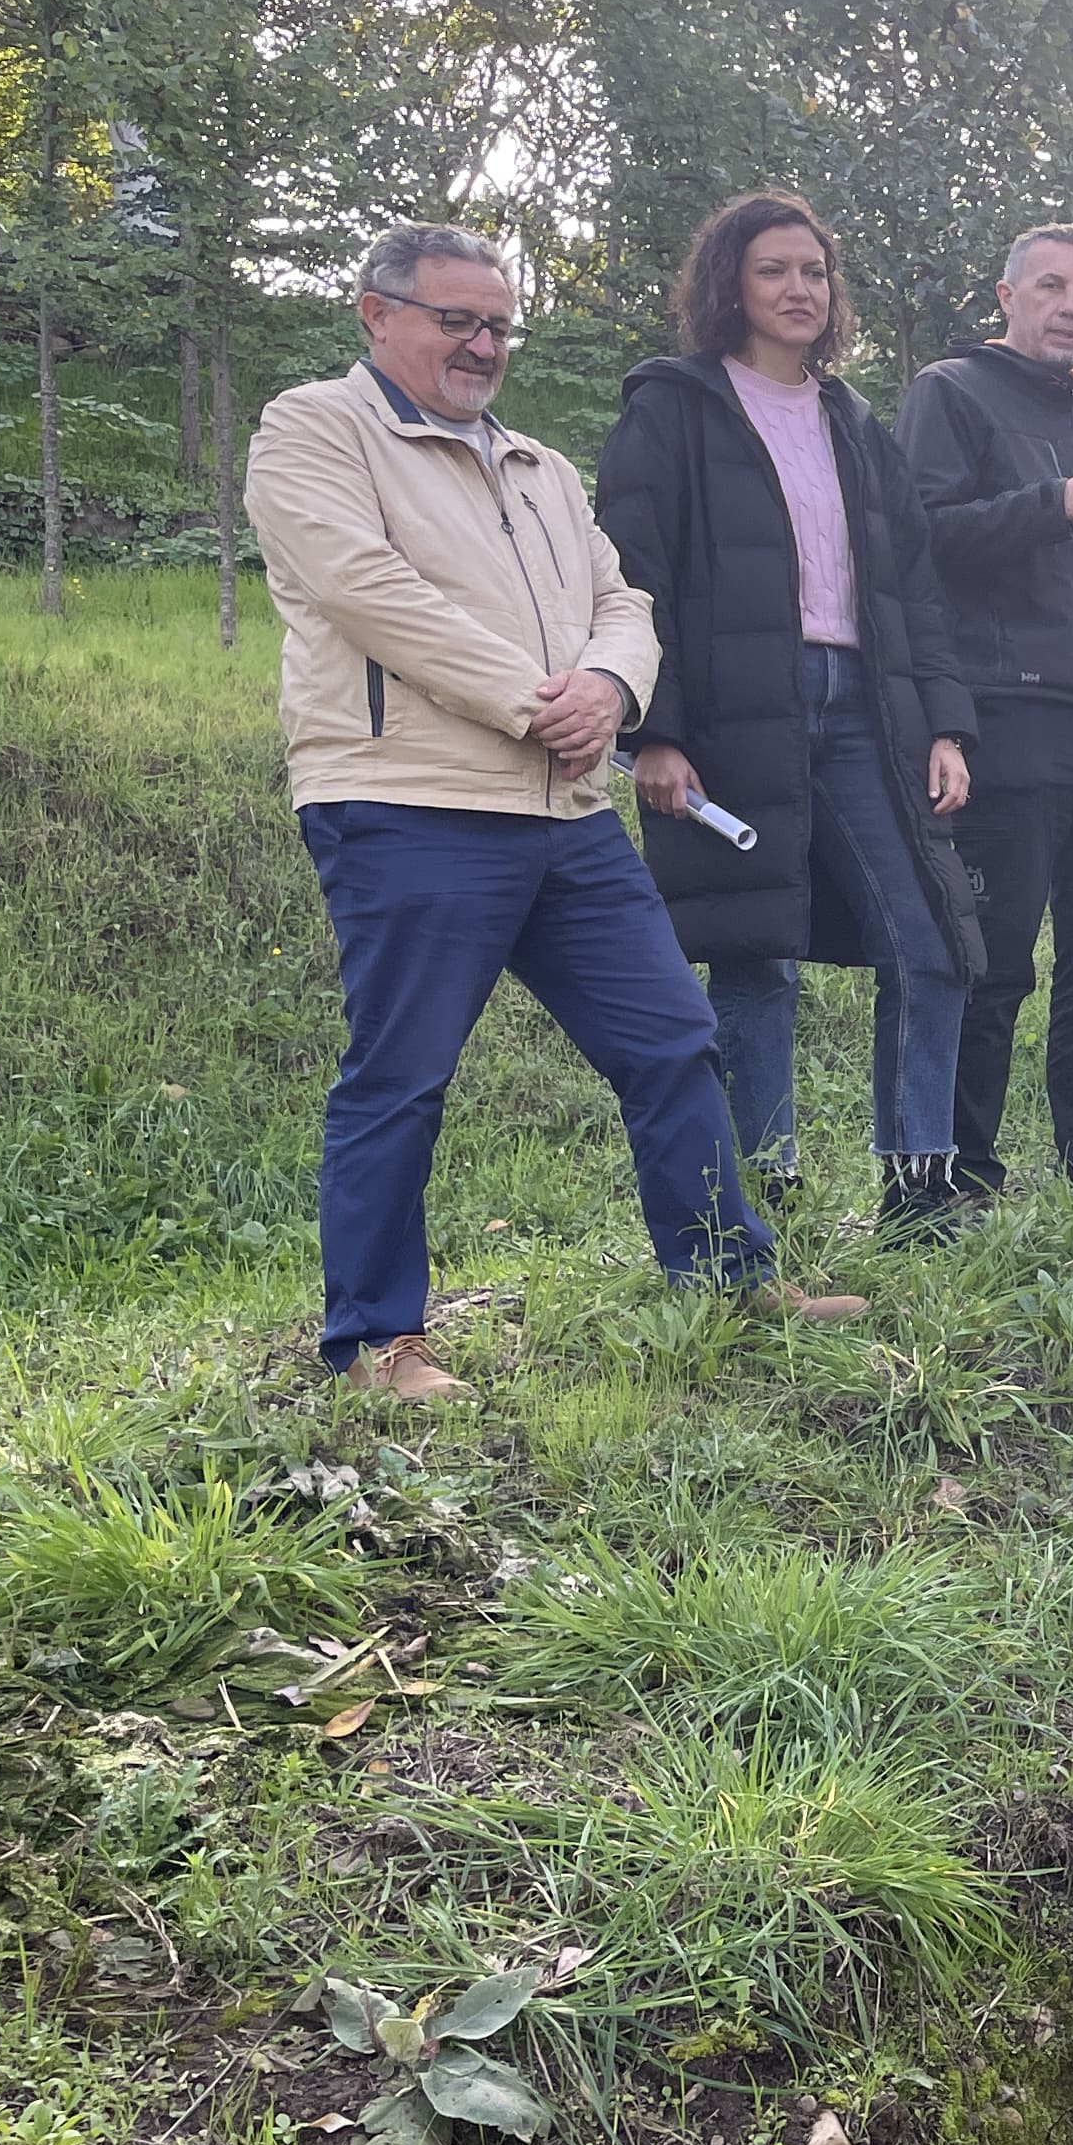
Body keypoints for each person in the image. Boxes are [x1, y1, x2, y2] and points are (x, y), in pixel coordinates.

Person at [242, 223, 859, 1400]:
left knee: (673, 1041)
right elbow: (368, 593)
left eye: (498, 325)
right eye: (455, 320)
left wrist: (613, 689)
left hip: (566, 811)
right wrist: (538, 703)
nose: (483, 345)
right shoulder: (317, 428)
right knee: (404, 1073)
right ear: (378, 316)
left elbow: (622, 596)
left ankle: (727, 1279)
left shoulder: (538, 467)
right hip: (407, 800)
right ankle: (377, 1342)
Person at [595, 193, 991, 1240]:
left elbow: (912, 587)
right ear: (730, 284)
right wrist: (655, 729)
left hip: (865, 707)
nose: (799, 289)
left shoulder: (855, 421)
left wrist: (944, 721)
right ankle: (757, 1199)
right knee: (750, 951)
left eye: (814, 271)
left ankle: (920, 1187)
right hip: (730, 710)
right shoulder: (672, 407)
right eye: (774, 270)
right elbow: (634, 573)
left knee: (933, 939)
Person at [897, 223, 1073, 1192]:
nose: (1072, 308)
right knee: (994, 965)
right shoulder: (950, 394)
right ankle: (965, 1179)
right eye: (1053, 288)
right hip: (1014, 722)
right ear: (1007, 296)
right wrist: (1052, 503)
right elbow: (916, 541)